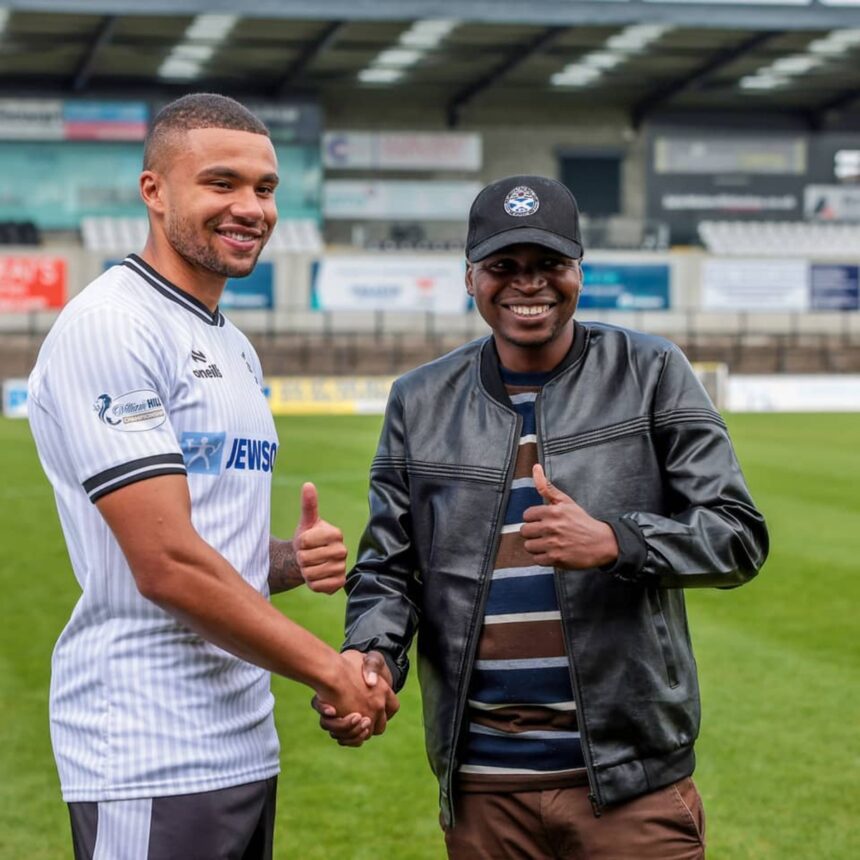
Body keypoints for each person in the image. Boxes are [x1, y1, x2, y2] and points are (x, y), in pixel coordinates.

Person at [316, 175, 768, 859]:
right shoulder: (420, 399)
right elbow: (390, 568)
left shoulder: (651, 372)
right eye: (504, 267)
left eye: (550, 265)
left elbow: (737, 534)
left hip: (629, 782)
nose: (529, 284)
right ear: (470, 278)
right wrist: (371, 661)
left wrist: (617, 541)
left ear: (579, 271)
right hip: (483, 791)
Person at [27, 93, 395, 860]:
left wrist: (288, 560)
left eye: (264, 189)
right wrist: (331, 670)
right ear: (153, 192)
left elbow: (204, 548)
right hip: (146, 751)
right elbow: (164, 564)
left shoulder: (232, 344)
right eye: (221, 183)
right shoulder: (113, 325)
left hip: (239, 745)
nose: (250, 208)